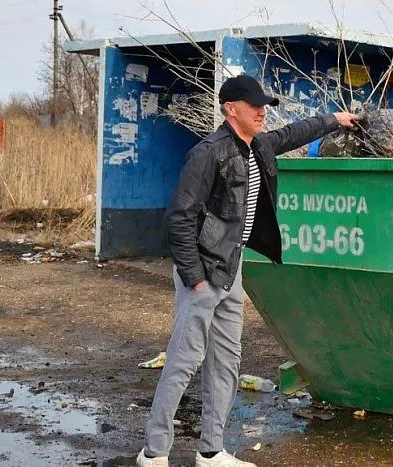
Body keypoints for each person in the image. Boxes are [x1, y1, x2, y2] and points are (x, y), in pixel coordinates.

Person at [136, 74, 359, 467]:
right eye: (254, 105)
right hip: (203, 272)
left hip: (231, 269)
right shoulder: (208, 153)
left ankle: (211, 450)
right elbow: (179, 218)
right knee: (184, 360)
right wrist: (195, 279)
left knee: (227, 361)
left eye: (264, 105)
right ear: (230, 109)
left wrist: (333, 120)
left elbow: (294, 132)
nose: (262, 111)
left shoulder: (259, 147)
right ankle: (154, 451)